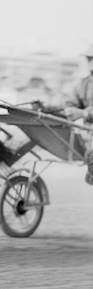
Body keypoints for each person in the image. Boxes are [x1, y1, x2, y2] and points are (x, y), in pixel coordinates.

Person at [63, 43, 93, 185]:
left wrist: (84, 113)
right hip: (89, 133)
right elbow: (70, 103)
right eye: (89, 59)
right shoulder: (83, 84)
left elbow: (82, 112)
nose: (90, 62)